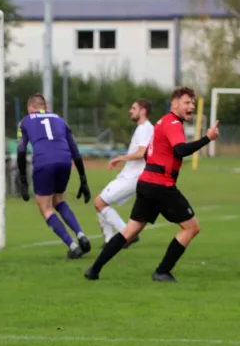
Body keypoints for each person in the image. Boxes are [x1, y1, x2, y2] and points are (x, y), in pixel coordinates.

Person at [85, 86, 219, 282]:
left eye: (192, 102)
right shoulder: (173, 123)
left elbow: (149, 154)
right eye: (186, 102)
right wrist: (208, 138)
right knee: (191, 227)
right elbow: (180, 150)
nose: (191, 106)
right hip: (161, 186)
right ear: (174, 104)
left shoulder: (161, 122)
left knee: (130, 231)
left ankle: (94, 269)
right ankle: (162, 271)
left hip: (146, 183)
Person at [17, 93, 91, 259]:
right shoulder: (60, 119)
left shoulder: (25, 121)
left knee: (46, 207)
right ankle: (81, 235)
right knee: (59, 200)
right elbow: (75, 150)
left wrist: (22, 179)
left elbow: (21, 150)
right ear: (46, 107)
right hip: (65, 160)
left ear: (31, 109)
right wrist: (83, 179)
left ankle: (73, 246)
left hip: (44, 162)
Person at [95, 99, 154, 247]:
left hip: (133, 177)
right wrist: (126, 165)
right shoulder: (145, 128)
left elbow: (142, 152)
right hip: (133, 175)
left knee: (99, 202)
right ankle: (110, 240)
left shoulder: (144, 128)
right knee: (100, 202)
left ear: (143, 111)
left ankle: (126, 234)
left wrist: (121, 157)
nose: (130, 111)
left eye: (134, 108)